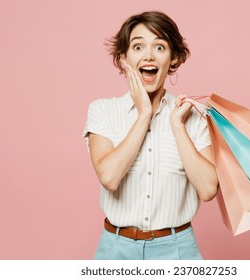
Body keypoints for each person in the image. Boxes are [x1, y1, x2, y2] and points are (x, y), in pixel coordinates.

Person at [82, 11, 218, 260]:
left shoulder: (192, 116)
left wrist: (178, 126)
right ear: (123, 58)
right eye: (138, 46)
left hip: (178, 250)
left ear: (174, 57)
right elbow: (109, 177)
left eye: (159, 46)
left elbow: (209, 189)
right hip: (116, 251)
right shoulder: (102, 110)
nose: (148, 55)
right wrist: (144, 114)